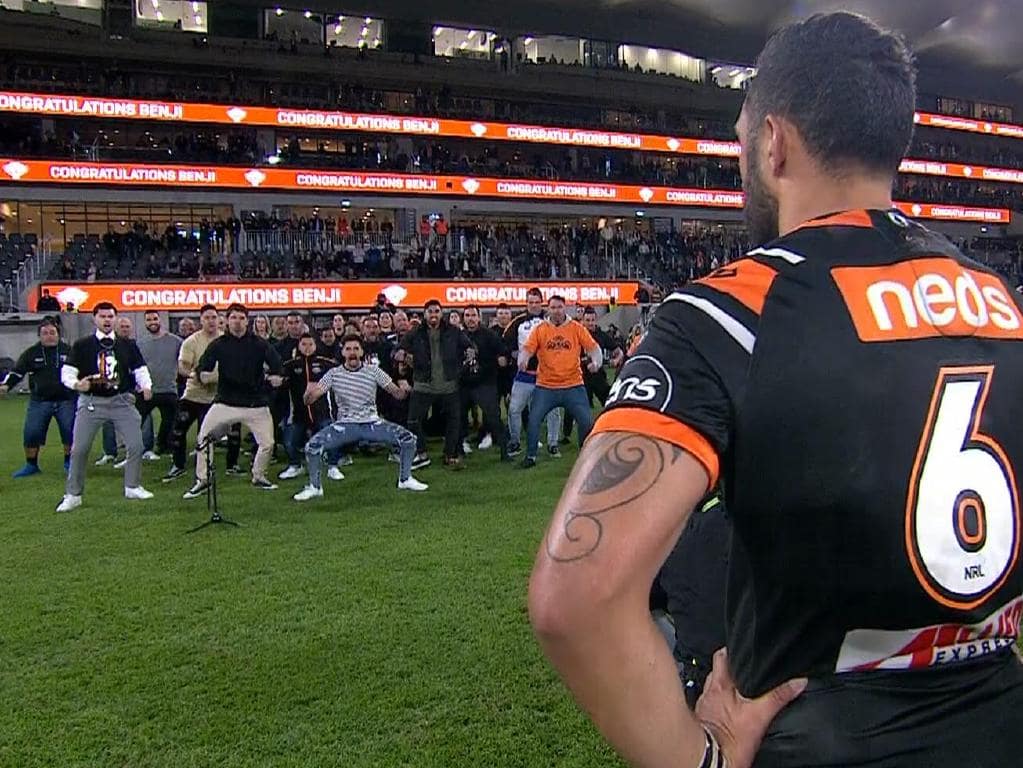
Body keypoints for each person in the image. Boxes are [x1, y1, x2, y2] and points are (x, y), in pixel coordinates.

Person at [529, 11, 1023, 768]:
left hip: (819, 733)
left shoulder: (729, 310)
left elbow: (576, 598)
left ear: (771, 141)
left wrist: (700, 758)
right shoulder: (1001, 303)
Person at [293, 334, 427, 501]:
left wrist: (405, 388)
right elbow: (311, 399)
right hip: (345, 426)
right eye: (348, 349)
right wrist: (308, 394)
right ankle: (314, 487)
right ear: (342, 352)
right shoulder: (333, 374)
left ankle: (405, 479)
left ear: (362, 351)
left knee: (409, 439)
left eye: (356, 348)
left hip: (372, 423)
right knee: (312, 447)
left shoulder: (374, 371)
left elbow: (397, 394)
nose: (352, 353)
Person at [57, 302, 154, 512]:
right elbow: (68, 372)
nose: (107, 320)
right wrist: (76, 384)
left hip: (121, 401)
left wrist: (146, 386)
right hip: (91, 401)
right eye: (103, 316)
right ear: (95, 319)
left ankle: (132, 486)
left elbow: (140, 368)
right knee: (80, 449)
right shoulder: (82, 345)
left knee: (136, 445)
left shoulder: (127, 344)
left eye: (111, 316)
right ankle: (73, 494)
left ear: (116, 318)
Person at [183, 303, 284, 498]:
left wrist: (276, 377)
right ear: (227, 321)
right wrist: (202, 375)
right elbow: (203, 367)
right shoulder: (219, 344)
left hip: (255, 403)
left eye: (241, 318)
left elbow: (277, 366)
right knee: (203, 439)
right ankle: (202, 480)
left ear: (247, 321)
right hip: (225, 402)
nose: (237, 322)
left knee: (268, 443)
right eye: (233, 318)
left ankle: (259, 476)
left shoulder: (260, 344)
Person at [518, 295, 601, 468]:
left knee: (586, 421)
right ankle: (531, 456)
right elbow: (527, 349)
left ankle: (585, 455)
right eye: (553, 307)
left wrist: (596, 363)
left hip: (573, 384)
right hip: (546, 386)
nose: (556, 311)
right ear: (548, 309)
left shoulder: (576, 328)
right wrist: (523, 360)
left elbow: (593, 347)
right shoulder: (540, 329)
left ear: (565, 308)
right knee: (534, 420)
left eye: (560, 307)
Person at [162, 304, 242, 482]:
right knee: (178, 431)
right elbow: (183, 366)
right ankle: (178, 465)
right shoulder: (191, 341)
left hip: (222, 395)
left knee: (234, 431)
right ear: (201, 320)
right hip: (195, 394)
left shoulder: (228, 340)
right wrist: (196, 375)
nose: (211, 321)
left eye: (214, 317)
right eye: (207, 318)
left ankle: (232, 465)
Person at [397, 299, 475, 469]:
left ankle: (450, 454)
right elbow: (399, 349)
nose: (433, 315)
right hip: (423, 385)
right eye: (430, 311)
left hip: (449, 385)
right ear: (425, 315)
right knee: (413, 421)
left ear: (441, 313)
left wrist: (469, 353)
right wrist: (401, 355)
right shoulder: (415, 332)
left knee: (454, 421)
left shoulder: (454, 331)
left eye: (436, 311)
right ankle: (421, 452)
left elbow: (470, 346)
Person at [0, 318, 74, 477]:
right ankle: (31, 465)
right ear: (39, 335)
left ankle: (69, 462)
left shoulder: (69, 351)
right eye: (45, 333)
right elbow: (17, 372)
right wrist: (6, 386)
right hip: (39, 401)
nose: (49, 336)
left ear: (58, 334)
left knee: (70, 431)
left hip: (66, 400)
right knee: (31, 432)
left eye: (52, 333)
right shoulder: (31, 353)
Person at [503, 288, 561, 457]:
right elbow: (505, 343)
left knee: (553, 410)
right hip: (525, 375)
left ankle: (553, 444)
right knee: (514, 409)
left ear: (542, 303)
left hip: (548, 374)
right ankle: (515, 442)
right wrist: (515, 356)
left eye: (537, 302)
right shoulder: (517, 321)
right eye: (530, 302)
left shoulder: (552, 319)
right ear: (526, 303)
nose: (534, 305)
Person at [277, 333, 341, 482]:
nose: (307, 348)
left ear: (315, 345)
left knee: (332, 437)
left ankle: (332, 466)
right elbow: (279, 381)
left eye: (310, 344)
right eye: (304, 344)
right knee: (289, 441)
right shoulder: (289, 365)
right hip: (297, 413)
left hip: (322, 412)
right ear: (298, 346)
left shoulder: (326, 364)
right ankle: (295, 465)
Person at [563, 306, 624, 441]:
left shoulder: (602, 335)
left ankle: (615, 426)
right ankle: (566, 435)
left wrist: (616, 360)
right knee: (574, 406)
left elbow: (618, 351)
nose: (590, 323)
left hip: (598, 377)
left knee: (609, 401)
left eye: (592, 320)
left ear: (596, 320)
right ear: (582, 321)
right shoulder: (576, 335)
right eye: (587, 320)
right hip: (580, 377)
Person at [460, 305, 510, 459]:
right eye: (467, 315)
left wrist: (503, 359)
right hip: (464, 382)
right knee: (458, 414)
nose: (470, 318)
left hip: (485, 382)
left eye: (473, 315)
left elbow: (503, 352)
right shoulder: (458, 335)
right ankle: (460, 445)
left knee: (493, 417)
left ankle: (504, 451)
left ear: (479, 317)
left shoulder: (489, 335)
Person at [137, 311, 181, 461]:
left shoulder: (176, 341)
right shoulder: (140, 343)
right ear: (145, 323)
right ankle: (137, 450)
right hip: (147, 390)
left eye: (154, 319)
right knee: (137, 420)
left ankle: (163, 447)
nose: (152, 322)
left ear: (160, 320)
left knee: (170, 421)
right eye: (148, 320)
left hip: (168, 389)